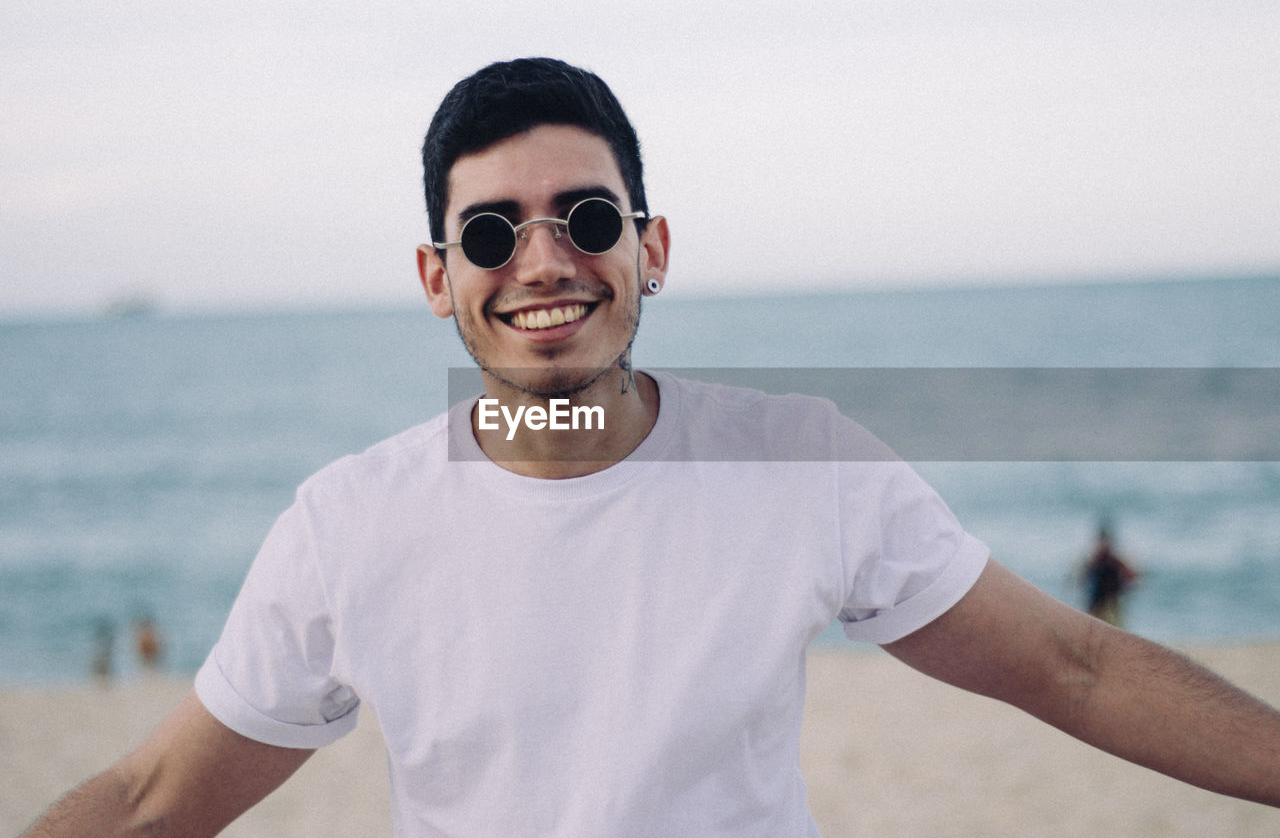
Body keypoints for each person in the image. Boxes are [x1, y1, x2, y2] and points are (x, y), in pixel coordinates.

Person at [22, 57, 1280, 838]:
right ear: (433, 275)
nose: (542, 260)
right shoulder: (346, 525)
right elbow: (153, 800)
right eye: (488, 234)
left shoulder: (799, 463)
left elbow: (1073, 667)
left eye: (583, 215)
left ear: (650, 247)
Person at [1082, 523, 1138, 626]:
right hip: (1098, 602)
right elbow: (1084, 579)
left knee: (1114, 627)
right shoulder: (1096, 560)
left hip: (1111, 601)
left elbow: (1130, 576)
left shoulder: (1112, 560)